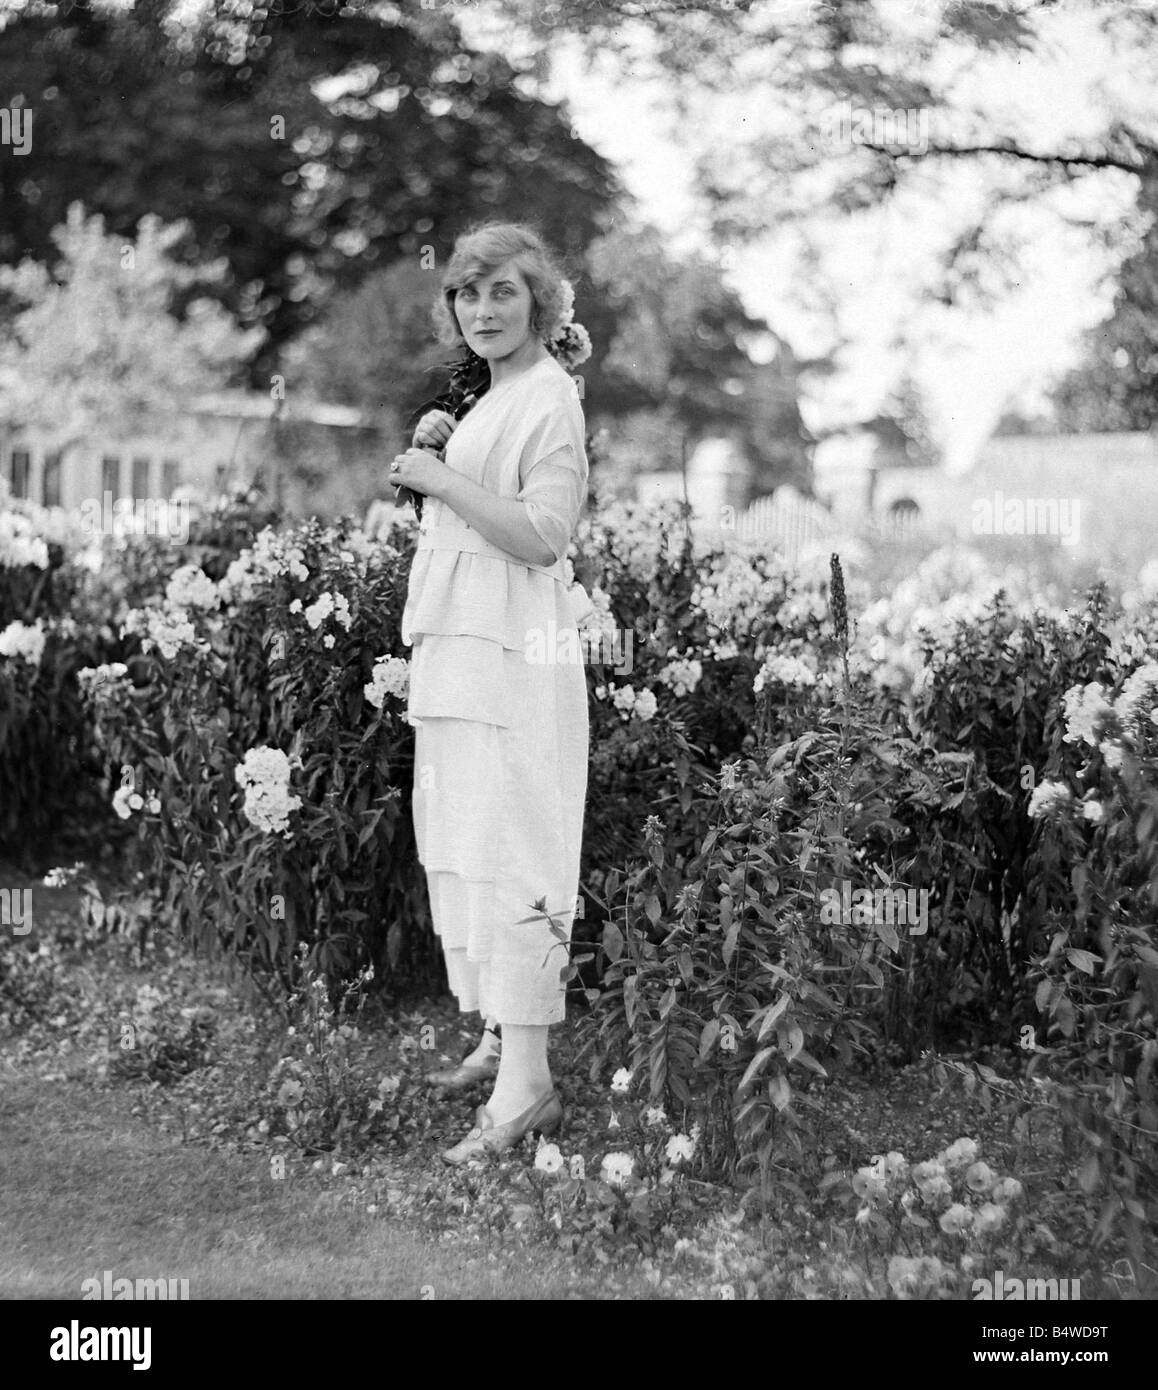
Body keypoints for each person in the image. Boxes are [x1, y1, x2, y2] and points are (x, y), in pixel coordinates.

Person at [387, 222, 590, 1164]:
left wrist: (439, 476)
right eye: (467, 295)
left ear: (539, 302)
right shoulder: (497, 395)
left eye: (502, 292)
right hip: (466, 650)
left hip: (514, 654)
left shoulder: (550, 398)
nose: (482, 310)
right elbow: (472, 513)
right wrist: (444, 454)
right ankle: (503, 1039)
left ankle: (528, 1091)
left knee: (516, 845)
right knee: (471, 838)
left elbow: (545, 534)